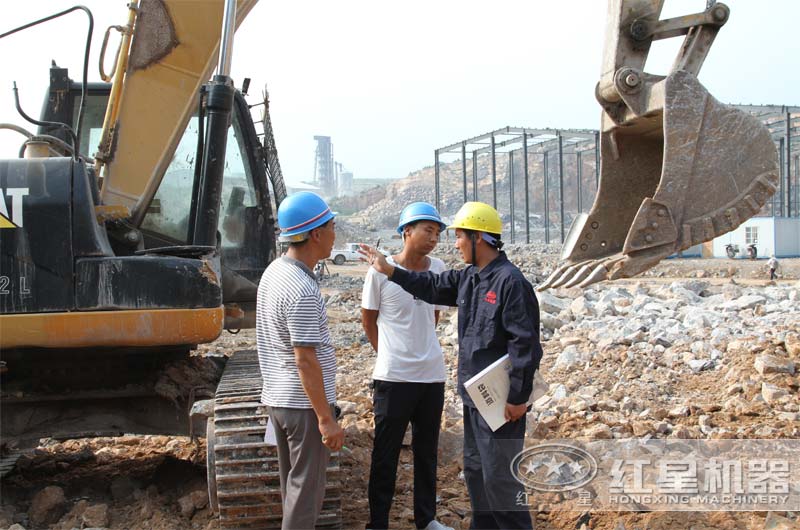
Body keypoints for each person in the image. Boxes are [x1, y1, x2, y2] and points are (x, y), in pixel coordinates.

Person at [360, 201, 542, 530]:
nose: (454, 243)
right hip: (476, 397)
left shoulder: (510, 283)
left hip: (502, 402)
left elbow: (525, 344)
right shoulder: (470, 277)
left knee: (500, 478)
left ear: (480, 238)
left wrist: (518, 396)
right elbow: (430, 286)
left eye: (459, 236)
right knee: (476, 471)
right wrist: (391, 270)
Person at [256, 191, 344, 530]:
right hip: (303, 406)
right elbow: (305, 361)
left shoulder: (274, 272)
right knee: (307, 496)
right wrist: (326, 419)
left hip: (279, 400)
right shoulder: (303, 290)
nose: (336, 235)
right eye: (333, 227)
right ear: (317, 234)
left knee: (294, 490)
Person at [361, 202, 453, 530]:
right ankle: (378, 523)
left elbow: (434, 315)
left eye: (438, 232)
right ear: (406, 232)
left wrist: (419, 347)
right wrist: (388, 353)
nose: (434, 237)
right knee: (385, 455)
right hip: (393, 378)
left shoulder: (439, 268)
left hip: (432, 376)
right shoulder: (380, 272)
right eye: (428, 230)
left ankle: (426, 520)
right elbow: (368, 321)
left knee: (427, 453)